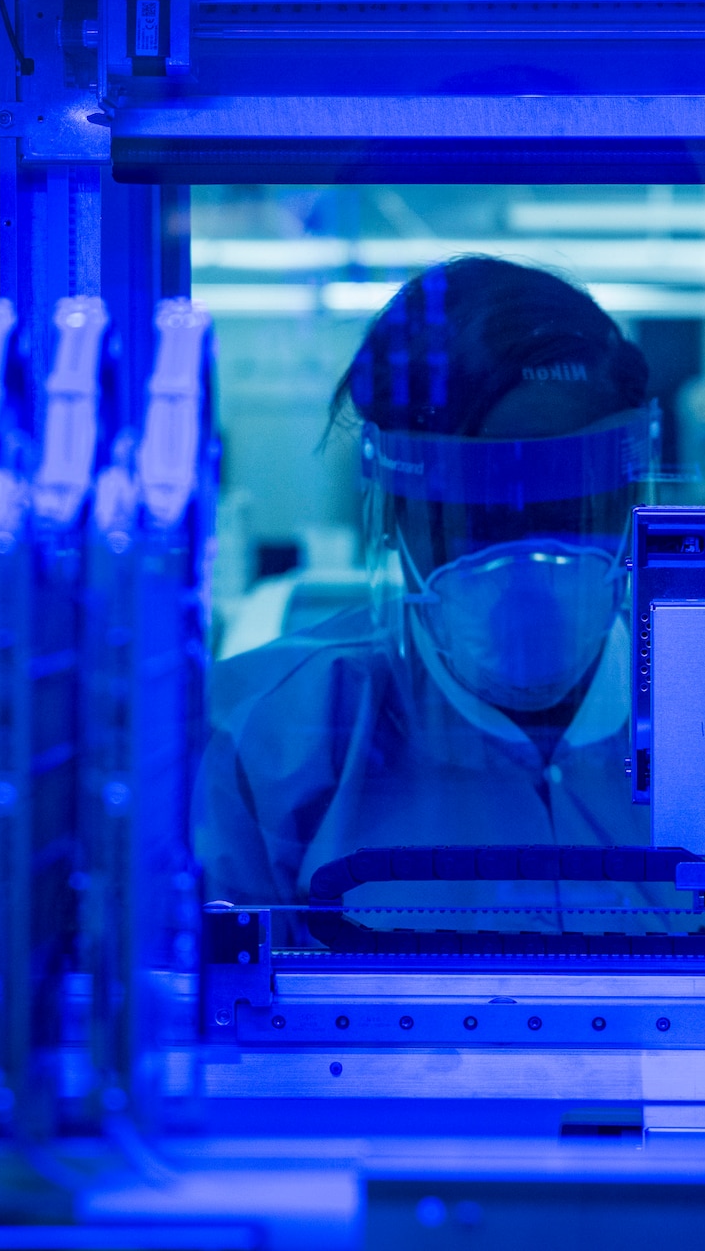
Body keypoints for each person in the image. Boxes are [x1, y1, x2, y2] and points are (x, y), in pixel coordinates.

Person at [194, 258, 672, 925]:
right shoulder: (264, 739)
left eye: (570, 512)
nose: (528, 565)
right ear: (396, 512)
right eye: (479, 519)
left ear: (628, 500)